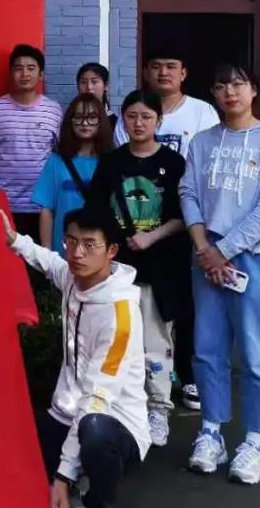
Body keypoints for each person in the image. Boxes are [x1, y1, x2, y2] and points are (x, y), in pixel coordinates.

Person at [179, 63, 260, 486]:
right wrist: (203, 247)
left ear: (253, 91)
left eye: (238, 84)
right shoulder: (204, 141)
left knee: (254, 352)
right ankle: (211, 432)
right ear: (212, 93)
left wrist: (222, 251)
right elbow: (188, 192)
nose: (230, 92)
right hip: (207, 255)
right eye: (221, 85)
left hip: (256, 258)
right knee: (207, 349)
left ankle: (254, 442)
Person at [0, 207, 149, 508]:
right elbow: (49, 262)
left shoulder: (119, 317)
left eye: (90, 245)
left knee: (93, 431)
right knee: (14, 440)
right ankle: (72, 484)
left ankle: (96, 499)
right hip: (67, 413)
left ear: (111, 251)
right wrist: (14, 239)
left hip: (114, 422)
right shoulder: (72, 277)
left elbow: (97, 399)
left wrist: (62, 475)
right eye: (71, 241)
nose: (77, 253)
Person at [113, 47, 218, 414]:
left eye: (171, 66)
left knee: (185, 305)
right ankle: (141, 389)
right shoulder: (131, 116)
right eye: (156, 66)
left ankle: (187, 376)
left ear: (184, 73)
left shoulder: (202, 112)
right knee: (143, 313)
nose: (163, 73)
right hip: (138, 230)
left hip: (189, 221)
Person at [89, 90, 187, 450]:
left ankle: (159, 409)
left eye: (146, 116)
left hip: (160, 269)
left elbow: (186, 216)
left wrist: (151, 237)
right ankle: (119, 407)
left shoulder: (174, 164)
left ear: (158, 120)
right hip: (117, 270)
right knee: (115, 339)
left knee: (156, 343)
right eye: (132, 116)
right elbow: (96, 212)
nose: (139, 123)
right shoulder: (111, 163)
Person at [0, 44, 63, 238]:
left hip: (42, 206)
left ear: (41, 74)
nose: (25, 73)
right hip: (4, 205)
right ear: (11, 73)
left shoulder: (54, 110)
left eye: (31, 68)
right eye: (18, 68)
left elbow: (58, 154)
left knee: (40, 256)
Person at [31, 93, 113, 256]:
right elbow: (47, 211)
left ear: (101, 121)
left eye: (92, 117)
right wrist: (46, 253)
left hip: (99, 250)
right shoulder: (55, 161)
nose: (85, 123)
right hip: (64, 249)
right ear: (70, 121)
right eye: (78, 117)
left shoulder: (111, 161)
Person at [77, 62, 117, 131]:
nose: (89, 87)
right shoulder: (71, 118)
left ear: (106, 85)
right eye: (83, 82)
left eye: (94, 82)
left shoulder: (115, 123)